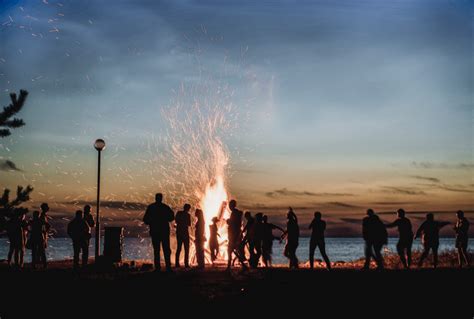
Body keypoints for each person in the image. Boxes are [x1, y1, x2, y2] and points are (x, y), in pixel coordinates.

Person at [143, 193, 175, 271]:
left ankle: (158, 268)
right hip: (164, 231)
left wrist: (152, 222)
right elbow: (171, 218)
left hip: (155, 231)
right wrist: (164, 219)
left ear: (155, 198)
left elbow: (145, 219)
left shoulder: (151, 207)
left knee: (156, 250)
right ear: (161, 198)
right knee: (166, 249)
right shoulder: (165, 207)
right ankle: (168, 267)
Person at [226, 199, 246, 269]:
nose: (229, 206)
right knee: (236, 250)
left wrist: (228, 221)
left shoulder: (234, 213)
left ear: (232, 205)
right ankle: (242, 264)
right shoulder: (236, 213)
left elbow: (234, 223)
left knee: (230, 250)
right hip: (235, 235)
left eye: (230, 205)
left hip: (234, 235)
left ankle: (229, 265)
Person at [174, 203, 191, 268]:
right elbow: (189, 224)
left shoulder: (179, 213)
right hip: (185, 233)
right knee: (186, 249)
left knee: (179, 248)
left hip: (179, 233)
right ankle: (186, 264)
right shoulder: (188, 215)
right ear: (188, 209)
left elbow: (176, 221)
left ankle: (177, 263)